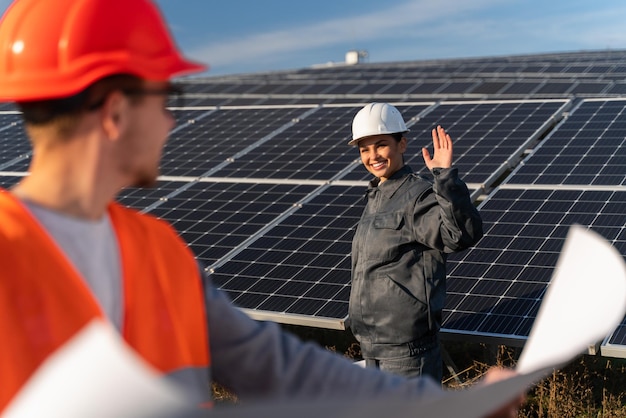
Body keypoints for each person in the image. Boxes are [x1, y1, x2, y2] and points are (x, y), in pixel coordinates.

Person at [0, 0, 520, 416]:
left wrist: (449, 405)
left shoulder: (157, 251)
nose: (172, 123)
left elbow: (279, 369)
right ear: (115, 112)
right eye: (167, 101)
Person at [348, 102, 483, 382]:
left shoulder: (418, 195)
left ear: (402, 144)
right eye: (364, 149)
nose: (373, 156)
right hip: (374, 349)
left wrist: (444, 179)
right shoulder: (376, 197)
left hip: (407, 356)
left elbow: (459, 235)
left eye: (381, 144)